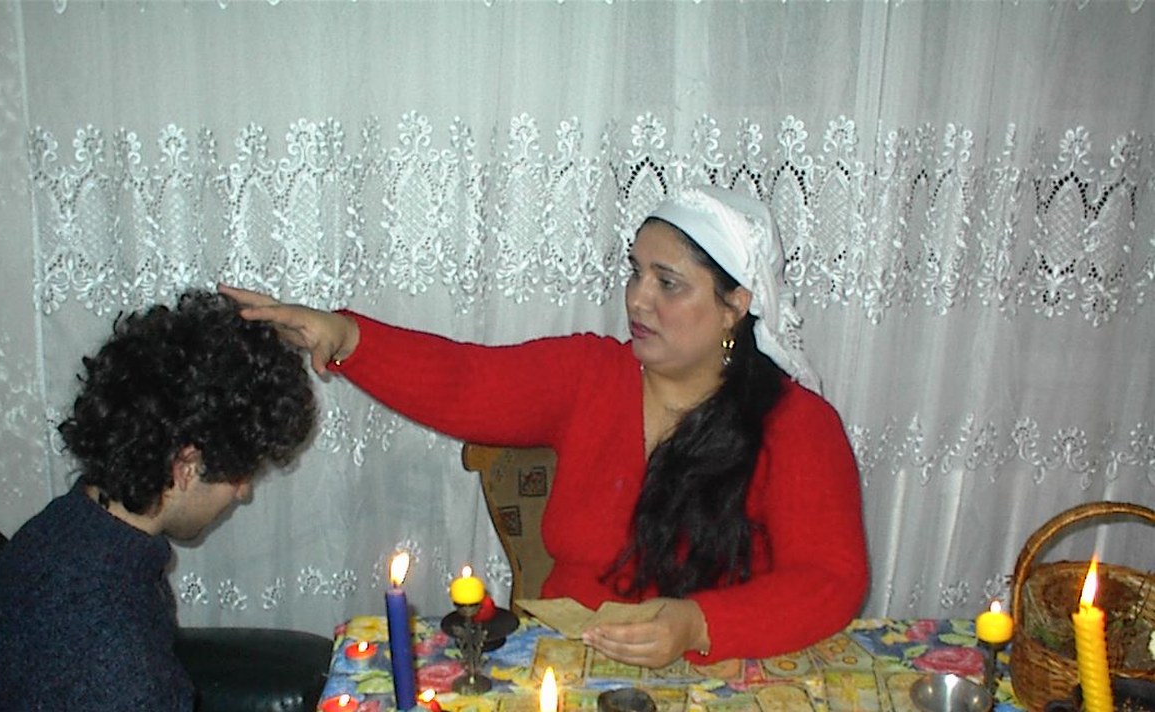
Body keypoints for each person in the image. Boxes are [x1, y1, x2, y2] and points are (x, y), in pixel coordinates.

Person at [221, 185, 868, 668]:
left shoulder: (797, 425)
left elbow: (831, 581)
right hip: (568, 663)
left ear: (735, 306)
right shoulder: (591, 375)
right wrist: (347, 336)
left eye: (668, 283)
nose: (637, 298)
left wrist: (698, 624)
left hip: (718, 675)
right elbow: (464, 382)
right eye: (635, 272)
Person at [0, 290, 316, 712]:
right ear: (187, 465)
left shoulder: (66, 531)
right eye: (241, 474)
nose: (243, 491)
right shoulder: (114, 661)